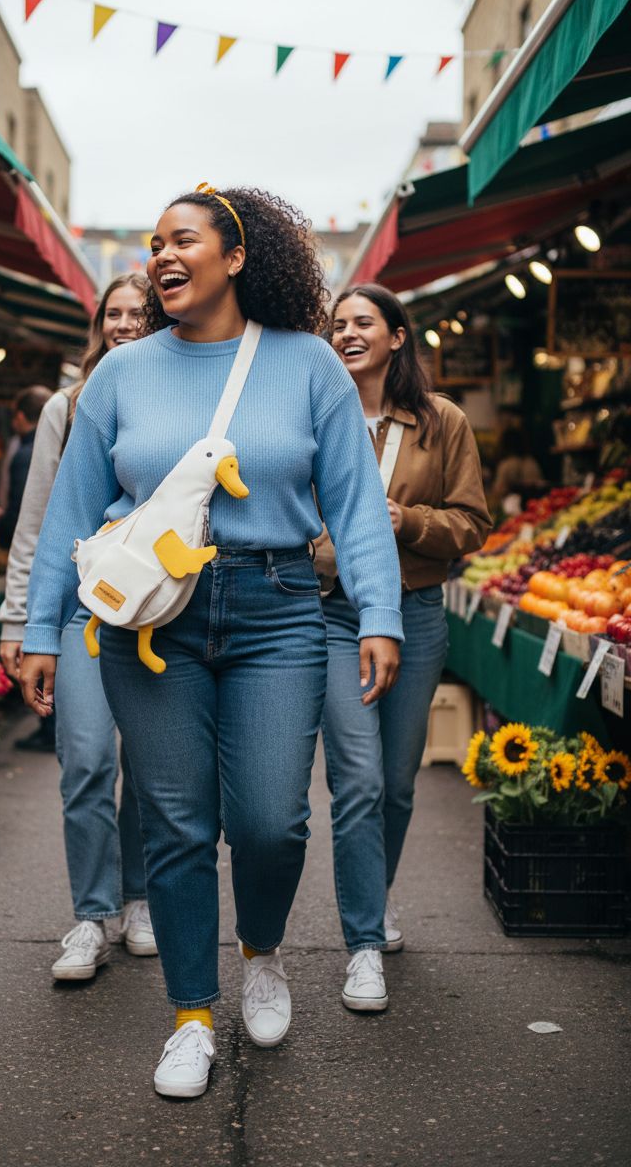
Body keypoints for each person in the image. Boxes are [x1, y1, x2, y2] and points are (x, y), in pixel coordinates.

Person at [20, 186, 403, 1100]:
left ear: (235, 256)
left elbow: (354, 508)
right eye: (153, 243)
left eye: (180, 239)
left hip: (277, 606)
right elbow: (71, 515)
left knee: (273, 820)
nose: (161, 255)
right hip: (150, 622)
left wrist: (380, 614)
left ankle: (262, 952)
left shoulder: (309, 364)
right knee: (178, 824)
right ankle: (192, 1015)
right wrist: (39, 629)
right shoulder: (118, 374)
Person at [316, 283, 491, 1015]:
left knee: (395, 782)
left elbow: (473, 522)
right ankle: (362, 944)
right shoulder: (317, 413)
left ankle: (375, 896)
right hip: (330, 616)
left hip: (416, 615)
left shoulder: (439, 421)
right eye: (338, 325)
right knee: (354, 781)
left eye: (363, 323)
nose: (348, 333)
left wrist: (407, 521)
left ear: (397, 336)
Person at [0, 274, 157, 967]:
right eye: (113, 314)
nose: (124, 323)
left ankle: (141, 896)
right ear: (99, 324)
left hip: (156, 610)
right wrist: (17, 619)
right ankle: (92, 914)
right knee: (86, 760)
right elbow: (35, 523)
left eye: (137, 312)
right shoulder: (67, 407)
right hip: (78, 611)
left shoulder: (175, 401)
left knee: (150, 767)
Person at [0, 386, 53, 552]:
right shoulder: (57, 447)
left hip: (28, 546)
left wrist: (2, 534)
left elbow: (20, 508)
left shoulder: (26, 454)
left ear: (20, 417)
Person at [491, 426, 545, 509]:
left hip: (511, 512)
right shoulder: (531, 462)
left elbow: (498, 492)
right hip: (534, 508)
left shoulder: (505, 465)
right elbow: (540, 485)